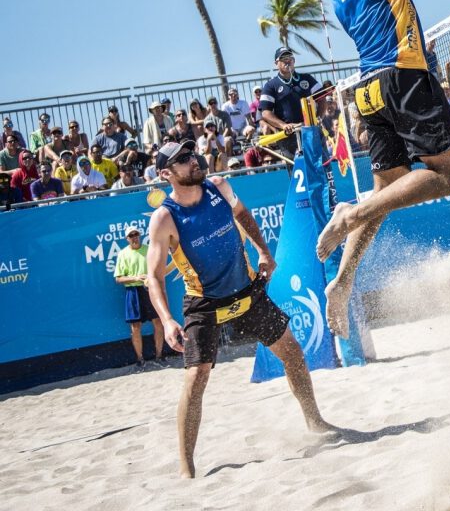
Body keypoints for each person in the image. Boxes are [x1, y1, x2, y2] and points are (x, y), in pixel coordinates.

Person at [309, 0, 450, 338]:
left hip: (368, 90)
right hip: (403, 77)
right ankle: (349, 212)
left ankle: (343, 279)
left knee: (385, 193)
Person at [145, 141, 334, 477]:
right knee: (196, 378)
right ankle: (187, 468)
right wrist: (168, 319)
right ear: (165, 174)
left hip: (246, 288)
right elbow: (154, 278)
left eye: (192, 154)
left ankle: (314, 421)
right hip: (203, 302)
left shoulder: (218, 186)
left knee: (292, 352)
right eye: (183, 159)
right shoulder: (164, 218)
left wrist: (263, 251)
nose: (193, 160)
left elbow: (243, 214)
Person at [114, 226, 164, 368]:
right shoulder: (123, 254)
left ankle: (159, 356)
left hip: (150, 289)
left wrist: (150, 278)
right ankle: (140, 359)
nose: (134, 237)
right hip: (133, 292)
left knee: (158, 321)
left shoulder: (149, 249)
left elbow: (159, 268)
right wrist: (136, 277)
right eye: (131, 235)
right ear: (127, 239)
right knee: (135, 326)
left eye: (136, 234)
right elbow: (118, 279)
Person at [258, 47, 321, 161]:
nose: (287, 61)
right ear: (276, 63)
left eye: (289, 58)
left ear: (294, 60)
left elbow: (322, 98)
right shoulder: (270, 85)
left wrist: (319, 117)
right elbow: (265, 112)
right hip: (288, 136)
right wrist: (283, 125)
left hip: (311, 131)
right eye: (283, 59)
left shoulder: (307, 78)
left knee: (319, 165)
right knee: (297, 168)